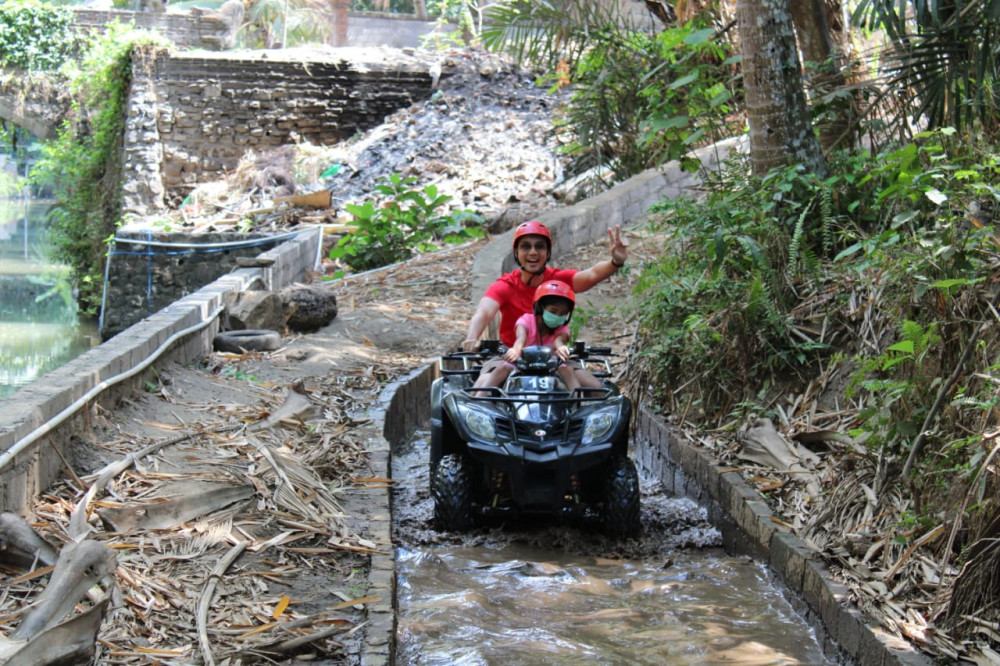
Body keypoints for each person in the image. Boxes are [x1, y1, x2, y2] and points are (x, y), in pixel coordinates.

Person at [462, 219, 628, 387]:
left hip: (554, 357)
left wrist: (615, 262)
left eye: (539, 246)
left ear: (548, 252)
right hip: (510, 355)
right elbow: (483, 313)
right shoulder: (506, 285)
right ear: (516, 252)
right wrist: (471, 339)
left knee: (594, 387)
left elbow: (591, 275)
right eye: (526, 246)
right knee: (482, 385)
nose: (533, 252)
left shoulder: (558, 282)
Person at [471, 281, 603, 395]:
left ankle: (577, 404)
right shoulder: (526, 321)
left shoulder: (561, 327)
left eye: (563, 313)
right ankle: (482, 401)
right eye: (553, 311)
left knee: (571, 372)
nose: (558, 316)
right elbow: (520, 340)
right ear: (540, 307)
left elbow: (559, 340)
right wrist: (515, 350)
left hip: (553, 364)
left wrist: (562, 348)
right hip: (522, 362)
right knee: (502, 369)